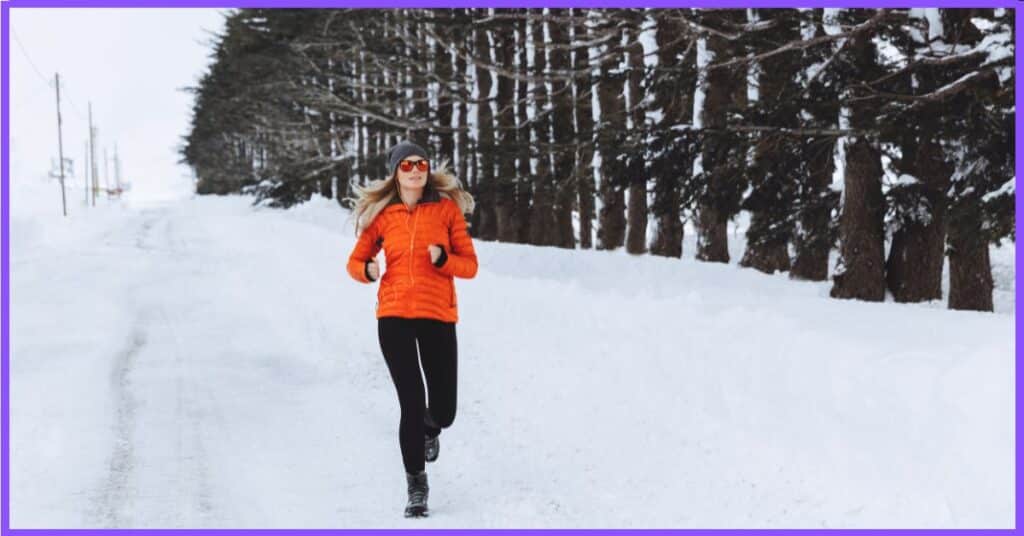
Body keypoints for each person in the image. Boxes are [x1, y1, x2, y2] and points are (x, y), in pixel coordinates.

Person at [346, 140, 478, 518]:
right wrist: (367, 271)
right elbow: (356, 261)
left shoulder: (447, 211)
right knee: (410, 400)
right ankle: (416, 485)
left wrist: (444, 259)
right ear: (395, 173)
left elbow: (470, 265)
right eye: (406, 165)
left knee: (445, 410)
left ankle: (430, 428)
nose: (416, 169)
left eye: (421, 163)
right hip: (394, 316)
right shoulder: (384, 216)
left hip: (437, 314)